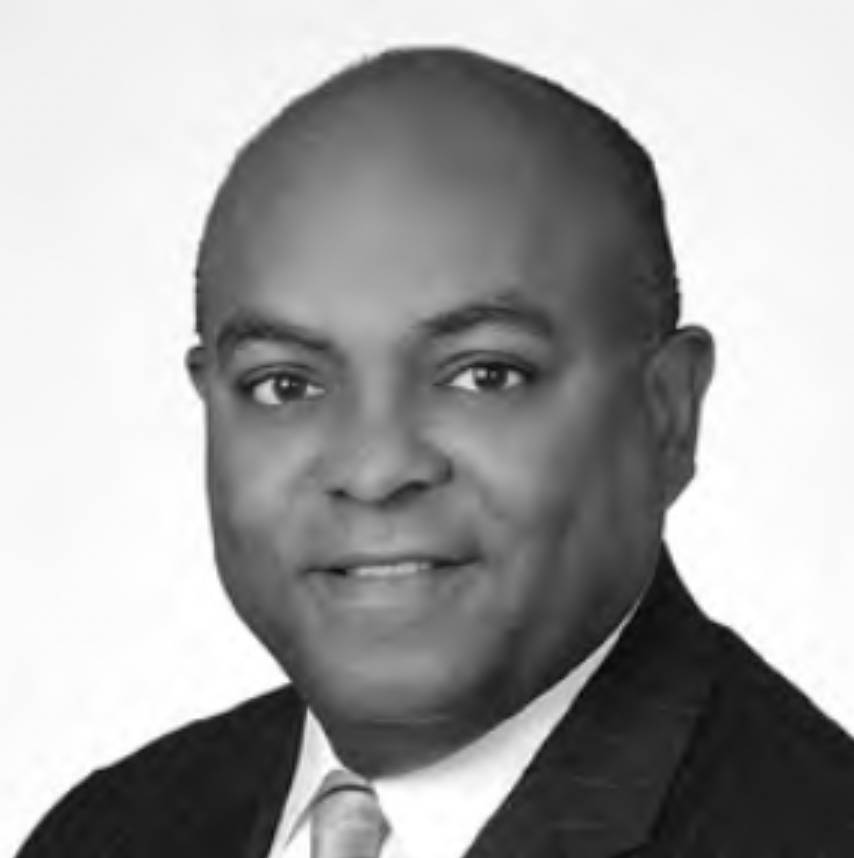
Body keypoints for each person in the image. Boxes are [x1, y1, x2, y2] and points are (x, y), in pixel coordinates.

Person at [17, 46, 854, 858]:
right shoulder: (111, 830)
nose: (374, 471)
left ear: (668, 413)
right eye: (285, 385)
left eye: (486, 375)